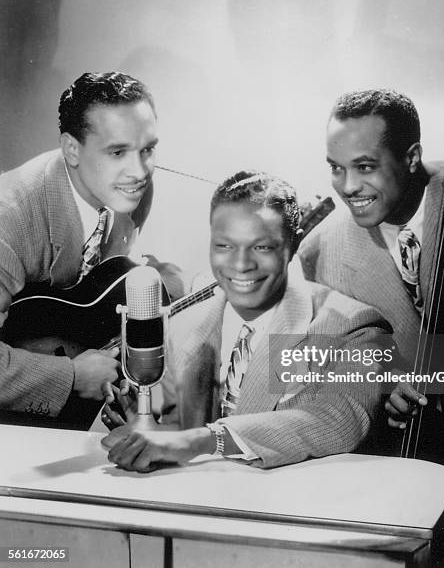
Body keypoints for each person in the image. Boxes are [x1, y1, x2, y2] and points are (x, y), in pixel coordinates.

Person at [297, 88, 444, 564]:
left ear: (412, 156)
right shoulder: (321, 251)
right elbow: (313, 373)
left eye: (365, 166)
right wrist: (380, 383)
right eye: (336, 167)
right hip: (414, 471)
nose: (347, 186)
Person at [101, 170, 393, 470]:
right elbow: (169, 430)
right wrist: (141, 422)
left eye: (262, 247)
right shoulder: (181, 327)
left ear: (293, 245)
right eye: (224, 246)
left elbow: (336, 419)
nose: (241, 265)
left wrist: (203, 439)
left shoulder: (355, 327)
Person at [0, 71, 182, 428]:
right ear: (71, 149)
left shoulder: (128, 188)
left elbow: (94, 293)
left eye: (147, 149)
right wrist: (69, 377)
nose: (139, 171)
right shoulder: (10, 219)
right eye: (117, 151)